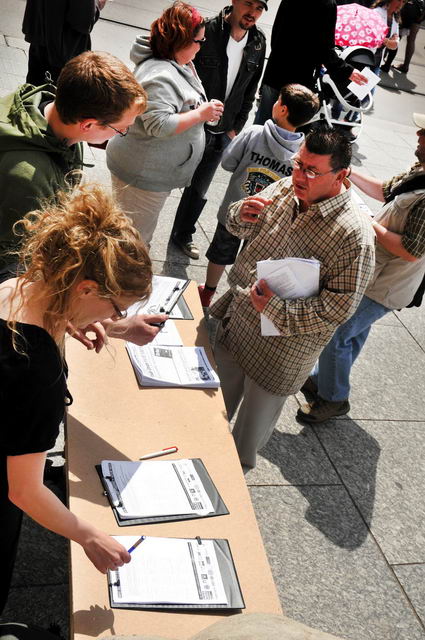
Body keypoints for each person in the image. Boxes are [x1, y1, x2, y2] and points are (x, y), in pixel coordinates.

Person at [0, 184, 153, 614]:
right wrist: (89, 535)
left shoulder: (16, 282)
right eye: (116, 309)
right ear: (85, 289)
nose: (114, 318)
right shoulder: (36, 370)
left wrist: (79, 321)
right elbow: (24, 490)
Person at [210, 129, 376, 471]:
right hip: (239, 323)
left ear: (341, 175)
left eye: (312, 171)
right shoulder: (286, 188)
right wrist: (241, 213)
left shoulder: (354, 235)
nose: (299, 175)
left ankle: (227, 491)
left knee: (243, 447)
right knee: (208, 416)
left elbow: (339, 309)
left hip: (282, 350)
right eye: (298, 163)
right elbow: (238, 224)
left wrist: (273, 307)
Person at [0, 50, 166, 347]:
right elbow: (19, 269)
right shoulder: (27, 177)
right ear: (88, 125)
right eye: (121, 129)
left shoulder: (57, 123)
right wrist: (84, 315)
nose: (125, 132)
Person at [297, 113, 425, 423]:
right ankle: (324, 379)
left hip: (387, 284)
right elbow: (385, 191)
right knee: (353, 333)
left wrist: (369, 223)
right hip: (377, 272)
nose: (419, 135)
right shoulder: (420, 172)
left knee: (339, 331)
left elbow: (411, 251)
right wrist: (347, 173)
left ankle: (333, 398)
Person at [106, 2, 223, 248]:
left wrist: (201, 110)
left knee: (126, 233)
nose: (201, 46)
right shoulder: (160, 75)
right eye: (199, 41)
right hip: (142, 176)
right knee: (133, 243)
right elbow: (159, 124)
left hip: (148, 171)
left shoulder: (175, 62)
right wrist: (200, 114)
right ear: (182, 40)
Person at [199, 83, 320, 308]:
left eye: (278, 100)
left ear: (282, 109)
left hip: (237, 208)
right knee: (253, 262)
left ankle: (207, 292)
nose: (274, 103)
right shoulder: (301, 152)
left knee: (220, 253)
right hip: (268, 219)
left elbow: (228, 162)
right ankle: (240, 300)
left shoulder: (254, 133)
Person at [170, 0, 267, 260]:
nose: (252, 13)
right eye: (248, 4)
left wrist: (235, 128)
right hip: (192, 123)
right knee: (166, 178)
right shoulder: (207, 31)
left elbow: (251, 89)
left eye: (259, 9)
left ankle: (183, 234)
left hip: (223, 130)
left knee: (199, 188)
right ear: (234, 2)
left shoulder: (258, 42)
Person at [254, 0, 368, 126]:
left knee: (263, 121)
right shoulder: (326, 4)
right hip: (299, 78)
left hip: (276, 69)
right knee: (286, 127)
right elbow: (325, 48)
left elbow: (276, 32)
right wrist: (346, 70)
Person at [22, 0, 108, 86]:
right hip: (64, 52)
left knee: (34, 88)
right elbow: (83, 20)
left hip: (39, 38)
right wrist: (98, 3)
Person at [381, 0, 425, 73]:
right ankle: (405, 66)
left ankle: (387, 63)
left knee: (395, 37)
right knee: (411, 40)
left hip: (409, 9)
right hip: (420, 10)